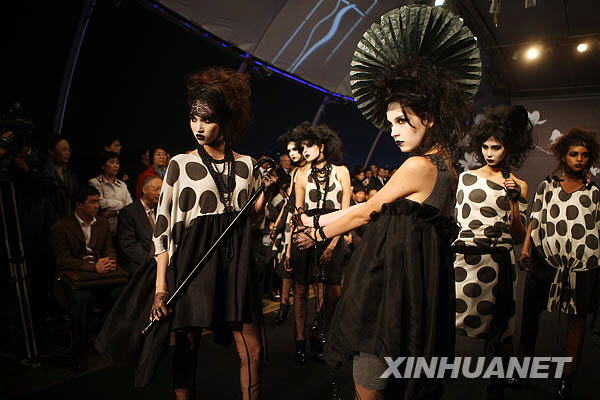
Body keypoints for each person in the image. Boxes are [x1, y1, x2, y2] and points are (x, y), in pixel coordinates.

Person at [293, 5, 480, 398]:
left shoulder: (417, 165)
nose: (392, 131)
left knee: (371, 367)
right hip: (416, 286)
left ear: (428, 116)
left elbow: (367, 209)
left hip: (389, 286)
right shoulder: (445, 161)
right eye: (389, 121)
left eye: (401, 120)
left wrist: (315, 229)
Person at [98, 67, 276, 400]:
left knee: (251, 348)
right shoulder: (181, 164)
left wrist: (265, 193)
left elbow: (251, 219)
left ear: (224, 120)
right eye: (194, 118)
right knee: (187, 343)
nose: (198, 127)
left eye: (207, 119)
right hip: (194, 259)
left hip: (236, 262)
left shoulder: (248, 165)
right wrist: (160, 289)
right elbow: (164, 228)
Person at [452, 105, 533, 399]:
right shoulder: (466, 178)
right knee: (450, 319)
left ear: (508, 148)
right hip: (463, 257)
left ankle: (497, 385)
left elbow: (518, 236)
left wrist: (513, 201)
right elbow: (457, 221)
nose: (489, 152)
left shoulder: (520, 185)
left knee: (502, 327)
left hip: (498, 263)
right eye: (485, 146)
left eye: (496, 147)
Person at [516, 128, 600, 399]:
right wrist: (526, 249)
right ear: (563, 156)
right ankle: (522, 372)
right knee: (530, 315)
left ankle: (567, 378)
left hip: (582, 266)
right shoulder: (547, 186)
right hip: (546, 262)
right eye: (574, 154)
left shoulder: (594, 193)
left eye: (585, 155)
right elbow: (535, 219)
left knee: (577, 320)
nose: (579, 159)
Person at [290, 124, 351, 364]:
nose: (304, 151)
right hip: (305, 236)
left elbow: (346, 212)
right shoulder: (301, 175)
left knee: (333, 291)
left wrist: (332, 243)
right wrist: (291, 243)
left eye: (309, 146)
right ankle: (299, 339)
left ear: (322, 146)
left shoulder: (341, 172)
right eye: (301, 147)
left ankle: (320, 332)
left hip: (333, 234)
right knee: (302, 290)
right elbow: (298, 211)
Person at [50, 185, 119, 372]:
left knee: (121, 293)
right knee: (81, 301)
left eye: (98, 201)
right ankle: (78, 355)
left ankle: (115, 346)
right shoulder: (61, 227)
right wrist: (92, 266)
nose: (97, 206)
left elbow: (108, 248)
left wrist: (110, 261)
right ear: (79, 205)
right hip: (76, 278)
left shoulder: (102, 223)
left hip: (101, 276)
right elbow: (64, 260)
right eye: (92, 202)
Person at [270, 123, 312, 325]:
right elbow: (290, 202)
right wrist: (278, 223)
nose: (293, 154)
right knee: (285, 268)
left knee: (304, 275)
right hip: (289, 223)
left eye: (296, 149)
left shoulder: (314, 170)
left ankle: (311, 319)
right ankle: (283, 306)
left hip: (307, 224)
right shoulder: (295, 173)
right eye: (289, 151)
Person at [116, 176, 162, 274]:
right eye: (156, 189)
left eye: (162, 189)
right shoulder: (129, 212)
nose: (160, 193)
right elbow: (129, 244)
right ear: (144, 190)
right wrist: (152, 261)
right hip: (139, 261)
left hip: (160, 259)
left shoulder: (162, 211)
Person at [89, 151, 133, 235]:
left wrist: (115, 212)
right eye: (112, 162)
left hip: (122, 227)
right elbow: (101, 203)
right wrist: (122, 204)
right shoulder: (95, 182)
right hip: (104, 228)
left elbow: (130, 205)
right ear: (103, 165)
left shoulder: (122, 184)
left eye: (117, 163)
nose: (116, 165)